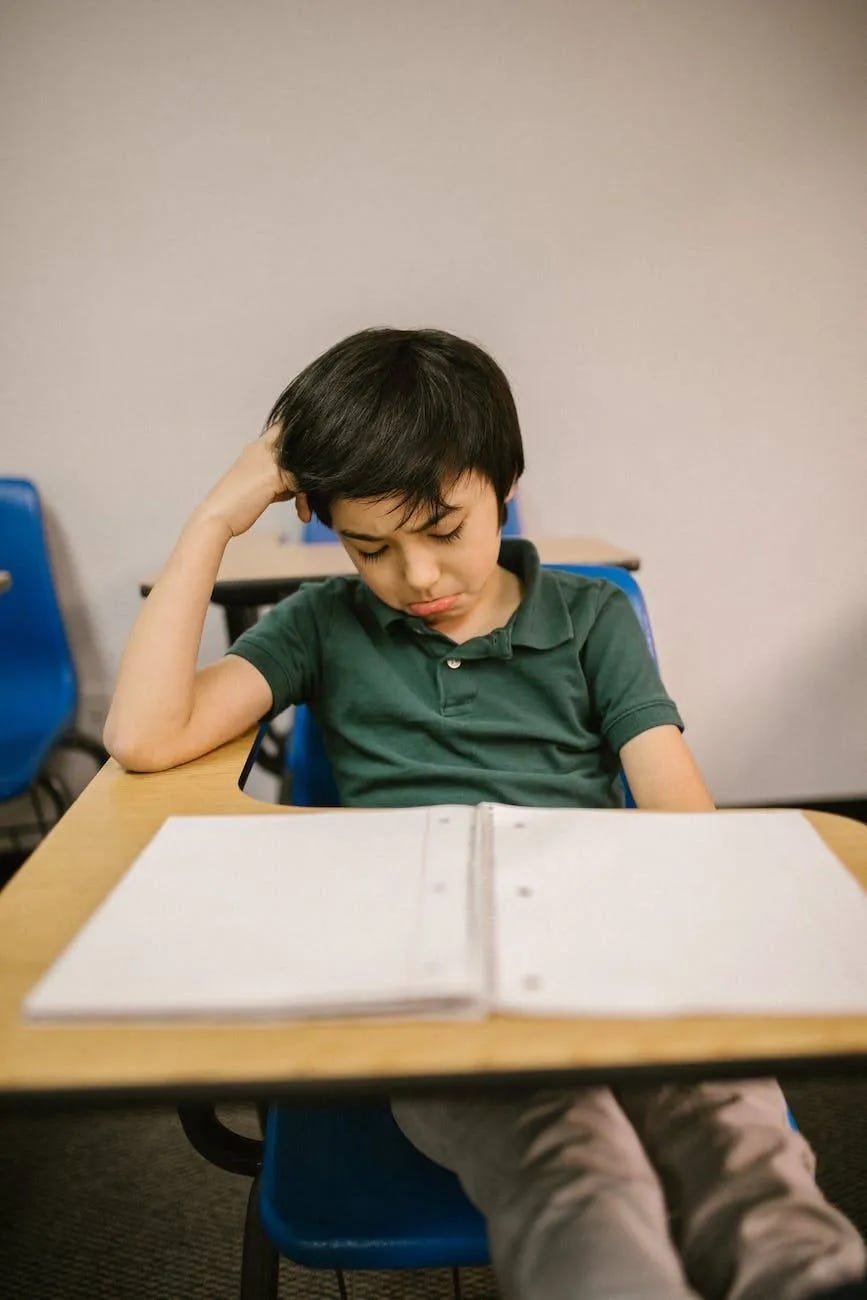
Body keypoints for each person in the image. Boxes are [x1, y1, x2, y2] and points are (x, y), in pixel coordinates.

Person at [104, 327, 866, 1300]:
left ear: (505, 484)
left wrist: (692, 943)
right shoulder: (322, 624)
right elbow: (145, 734)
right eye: (370, 546)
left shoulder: (590, 617)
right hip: (431, 976)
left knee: (736, 1130)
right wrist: (216, 516)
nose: (417, 577)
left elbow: (681, 809)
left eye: (443, 529)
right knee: (573, 1164)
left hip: (609, 941)